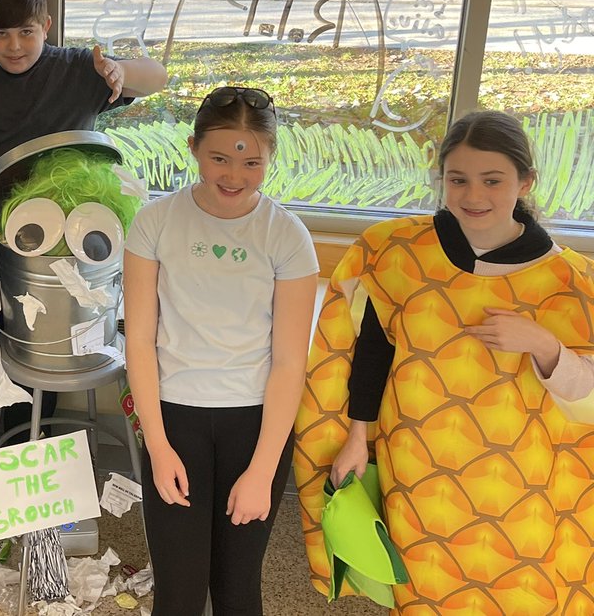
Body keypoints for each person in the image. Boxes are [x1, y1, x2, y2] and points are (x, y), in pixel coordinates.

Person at [295, 110, 594, 613]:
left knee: (519, 588)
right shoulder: (399, 253)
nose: (473, 196)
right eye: (458, 180)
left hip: (523, 480)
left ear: (525, 181)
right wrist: (355, 435)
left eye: (492, 180)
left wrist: (543, 344)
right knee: (424, 588)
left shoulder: (571, 284)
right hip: (418, 466)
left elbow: (586, 404)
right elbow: (371, 350)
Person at [0, 0, 168, 527]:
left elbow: (158, 76)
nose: (14, 46)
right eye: (1, 33)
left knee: (43, 369)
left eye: (27, 32)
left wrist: (119, 70)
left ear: (48, 26)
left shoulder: (74, 70)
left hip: (59, 260)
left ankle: (26, 487)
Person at [123, 85, 318, 616]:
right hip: (174, 418)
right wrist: (158, 447)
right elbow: (139, 340)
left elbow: (288, 362)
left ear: (270, 157)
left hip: (254, 423)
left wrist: (262, 469)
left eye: (252, 162)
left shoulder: (287, 235)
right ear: (193, 148)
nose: (233, 175)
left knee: (237, 587)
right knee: (179, 590)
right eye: (219, 158)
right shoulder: (154, 223)